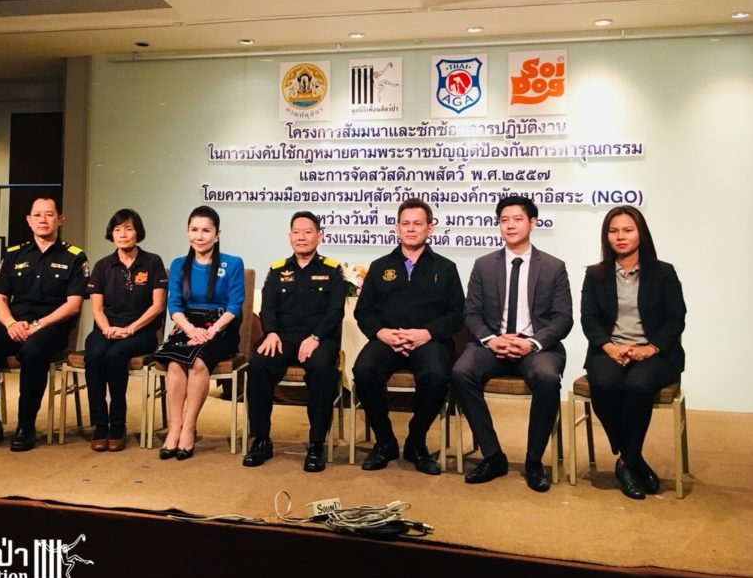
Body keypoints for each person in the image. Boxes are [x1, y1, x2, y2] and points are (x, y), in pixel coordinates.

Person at [452, 195, 573, 492]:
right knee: (460, 373)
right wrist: (492, 340)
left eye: (517, 219)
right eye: (504, 220)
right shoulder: (483, 265)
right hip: (493, 345)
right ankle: (493, 456)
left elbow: (563, 318)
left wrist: (532, 343)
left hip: (534, 347)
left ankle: (534, 461)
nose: (510, 226)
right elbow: (471, 313)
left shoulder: (554, 267)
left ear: (532, 223)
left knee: (547, 379)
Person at [580, 205, 686, 500]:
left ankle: (627, 461)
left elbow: (675, 319)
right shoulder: (595, 274)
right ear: (606, 236)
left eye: (628, 230)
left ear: (641, 233)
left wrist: (650, 348)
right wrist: (610, 347)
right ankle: (634, 458)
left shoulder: (663, 273)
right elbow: (589, 319)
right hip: (609, 349)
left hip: (655, 352)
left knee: (638, 386)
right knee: (604, 384)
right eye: (613, 231)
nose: (620, 236)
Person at [0, 197, 88, 452]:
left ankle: (25, 427)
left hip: (51, 328)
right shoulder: (13, 254)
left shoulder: (74, 257)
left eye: (49, 214)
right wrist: (11, 324)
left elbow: (73, 305)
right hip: (14, 324)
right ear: (29, 221)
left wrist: (38, 325)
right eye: (37, 215)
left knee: (33, 353)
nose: (43, 220)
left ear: (60, 219)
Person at [352, 198, 464, 474]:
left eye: (417, 224)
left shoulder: (445, 268)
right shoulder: (380, 266)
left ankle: (416, 441)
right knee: (363, 371)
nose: (411, 229)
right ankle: (385, 442)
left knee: (437, 375)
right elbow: (363, 311)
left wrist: (427, 333)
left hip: (429, 341)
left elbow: (457, 314)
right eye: (406, 224)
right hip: (387, 339)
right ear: (397, 228)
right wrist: (382, 333)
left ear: (430, 228)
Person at [243, 211, 345, 472]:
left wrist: (315, 337)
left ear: (319, 236)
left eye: (308, 232)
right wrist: (271, 332)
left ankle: (316, 444)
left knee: (322, 369)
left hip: (319, 338)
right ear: (289, 237)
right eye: (296, 232)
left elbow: (335, 311)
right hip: (282, 337)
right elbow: (267, 307)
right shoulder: (278, 270)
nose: (302, 237)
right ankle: (261, 439)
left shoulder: (332, 270)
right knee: (259, 364)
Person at [155, 206, 245, 460]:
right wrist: (190, 329)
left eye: (206, 230)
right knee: (175, 363)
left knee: (197, 363)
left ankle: (189, 427)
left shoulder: (232, 263)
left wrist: (212, 330)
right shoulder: (179, 265)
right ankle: (174, 428)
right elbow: (174, 305)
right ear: (187, 232)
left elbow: (235, 305)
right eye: (194, 230)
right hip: (188, 324)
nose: (199, 236)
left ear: (217, 234)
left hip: (222, 326)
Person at [84, 209, 167, 452]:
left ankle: (118, 424)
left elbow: (158, 306)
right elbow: (97, 308)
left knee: (114, 355)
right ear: (111, 234)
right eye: (117, 230)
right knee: (94, 354)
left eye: (128, 229)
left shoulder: (153, 262)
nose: (123, 234)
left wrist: (131, 328)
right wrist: (108, 328)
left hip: (142, 331)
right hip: (107, 328)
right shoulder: (102, 266)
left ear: (137, 232)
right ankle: (100, 424)